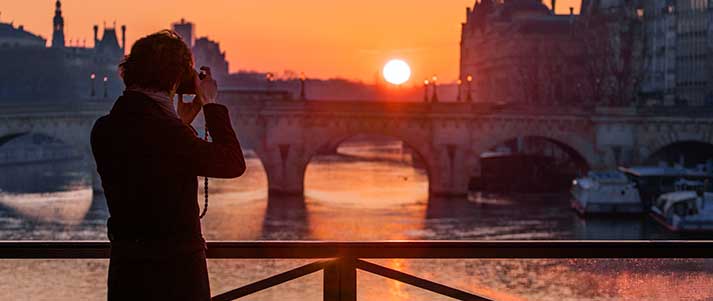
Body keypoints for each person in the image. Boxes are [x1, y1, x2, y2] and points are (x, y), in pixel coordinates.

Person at [91, 30, 246, 301]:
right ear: (175, 78)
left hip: (126, 275)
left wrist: (179, 123)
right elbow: (232, 163)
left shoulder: (103, 129)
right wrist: (210, 103)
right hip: (176, 277)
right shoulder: (171, 136)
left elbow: (151, 160)